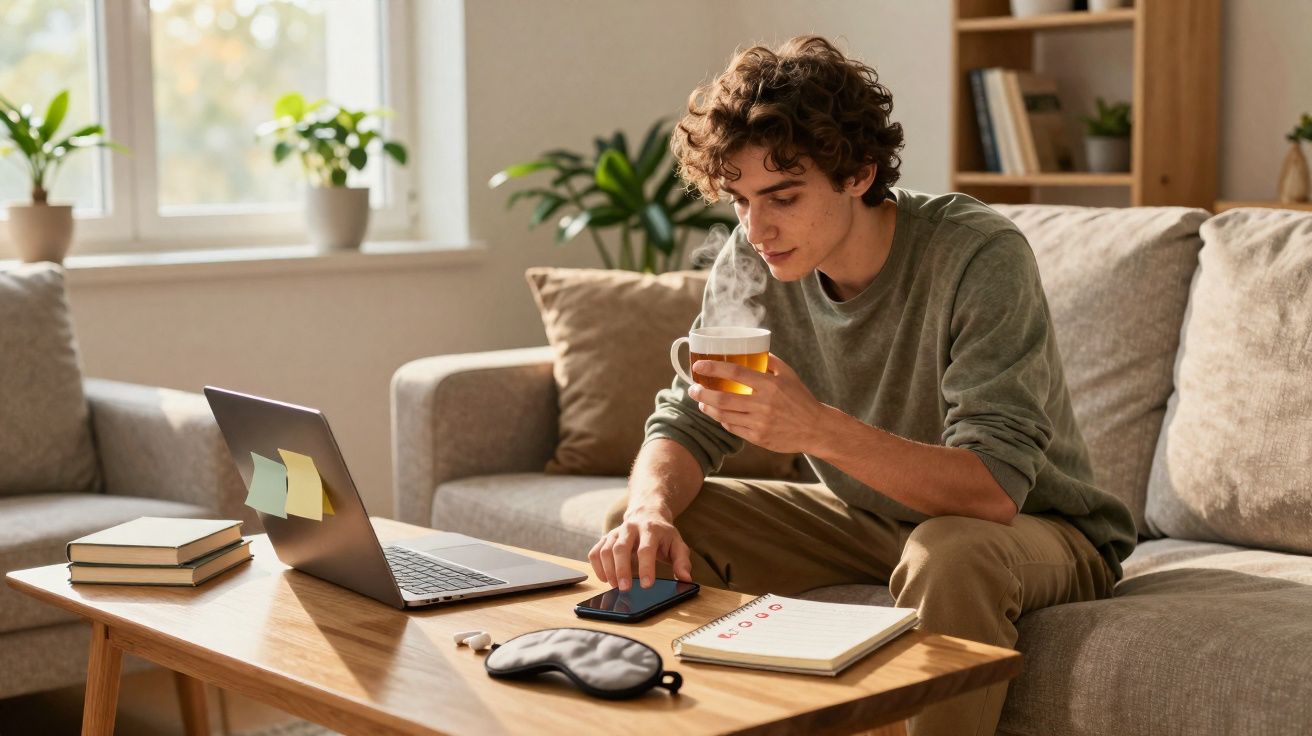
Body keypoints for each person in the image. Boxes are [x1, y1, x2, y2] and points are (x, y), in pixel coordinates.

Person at [588, 35, 1135, 736]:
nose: (756, 228)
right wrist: (651, 510)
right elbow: (688, 422)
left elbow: (992, 490)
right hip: (872, 521)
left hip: (1037, 527)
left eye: (782, 196)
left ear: (857, 174)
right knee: (647, 535)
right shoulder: (753, 262)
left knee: (952, 553)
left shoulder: (977, 254)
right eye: (740, 201)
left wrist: (815, 428)